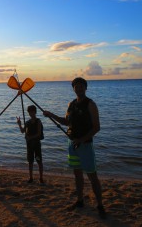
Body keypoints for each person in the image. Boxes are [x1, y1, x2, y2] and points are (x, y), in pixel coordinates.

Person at [43, 77, 106, 219]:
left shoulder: (91, 104)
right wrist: (50, 115)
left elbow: (97, 127)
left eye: (81, 86)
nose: (79, 89)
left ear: (85, 88)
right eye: (76, 87)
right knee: (77, 174)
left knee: (92, 176)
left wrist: (81, 140)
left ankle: (100, 205)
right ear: (73, 89)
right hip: (72, 144)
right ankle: (80, 200)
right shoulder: (71, 104)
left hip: (85, 145)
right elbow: (66, 122)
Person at [17, 105, 44, 184]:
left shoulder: (38, 121)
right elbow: (22, 131)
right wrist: (19, 124)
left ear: (35, 112)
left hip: (36, 145)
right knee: (30, 161)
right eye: (29, 112)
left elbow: (39, 134)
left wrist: (30, 138)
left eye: (32, 112)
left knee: (39, 161)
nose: (31, 113)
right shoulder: (27, 122)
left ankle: (41, 178)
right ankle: (31, 177)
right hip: (29, 145)